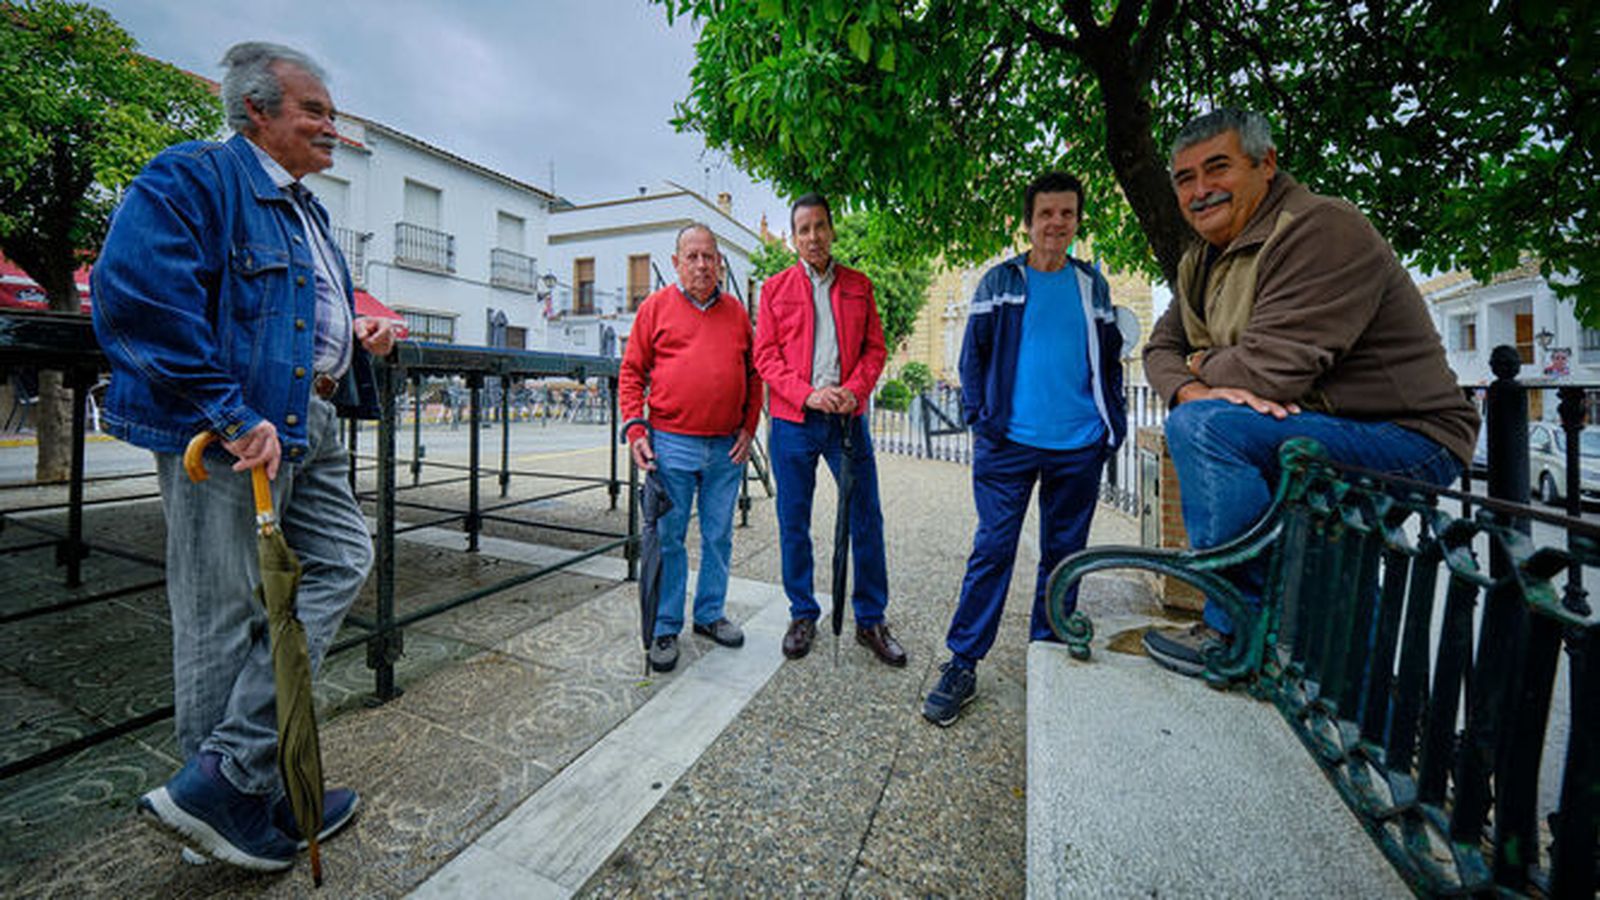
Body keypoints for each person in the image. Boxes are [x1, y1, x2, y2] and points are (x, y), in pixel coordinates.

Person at [91, 42, 399, 871]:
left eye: (332, 113)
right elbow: (137, 298)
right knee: (222, 613)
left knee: (341, 558)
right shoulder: (192, 175)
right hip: (231, 434)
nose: (332, 128)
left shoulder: (306, 209)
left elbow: (302, 317)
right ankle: (234, 802)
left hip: (314, 421)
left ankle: (225, 779)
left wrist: (357, 338)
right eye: (316, 112)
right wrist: (229, 414)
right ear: (258, 111)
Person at [1140, 108, 1478, 676]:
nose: (1200, 191)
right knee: (1204, 418)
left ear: (1265, 164)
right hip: (1314, 428)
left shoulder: (1321, 228)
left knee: (1208, 430)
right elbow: (1157, 352)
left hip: (1406, 436)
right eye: (1185, 178)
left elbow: (1267, 376)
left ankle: (1239, 626)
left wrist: (1200, 365)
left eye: (1217, 169)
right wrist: (1191, 389)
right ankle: (1353, 693)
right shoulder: (1200, 260)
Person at [921, 172, 1128, 727]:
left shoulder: (1093, 287)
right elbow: (974, 357)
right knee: (993, 550)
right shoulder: (1000, 281)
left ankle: (1048, 653)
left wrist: (1114, 425)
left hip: (1077, 446)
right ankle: (962, 661)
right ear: (1029, 221)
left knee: (1064, 558)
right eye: (1046, 214)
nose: (1056, 223)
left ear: (1077, 219)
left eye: (1066, 213)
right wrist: (981, 422)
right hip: (1008, 445)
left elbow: (1109, 362)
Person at [754, 194, 906, 666]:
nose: (813, 236)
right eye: (804, 229)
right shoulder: (775, 289)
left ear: (832, 231)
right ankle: (803, 613)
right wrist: (807, 394)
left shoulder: (859, 285)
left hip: (847, 420)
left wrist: (853, 391)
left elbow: (875, 349)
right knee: (793, 521)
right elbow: (766, 358)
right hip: (794, 421)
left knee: (866, 517)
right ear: (794, 237)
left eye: (820, 226)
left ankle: (870, 619)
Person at [620, 223, 763, 672]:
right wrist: (636, 431)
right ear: (678, 262)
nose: (702, 264)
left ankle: (708, 615)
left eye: (709, 257)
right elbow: (631, 373)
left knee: (719, 537)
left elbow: (754, 375)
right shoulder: (655, 309)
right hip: (671, 445)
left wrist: (748, 426)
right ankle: (666, 626)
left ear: (719, 264)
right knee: (670, 539)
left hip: (726, 449)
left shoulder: (738, 314)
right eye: (693, 256)